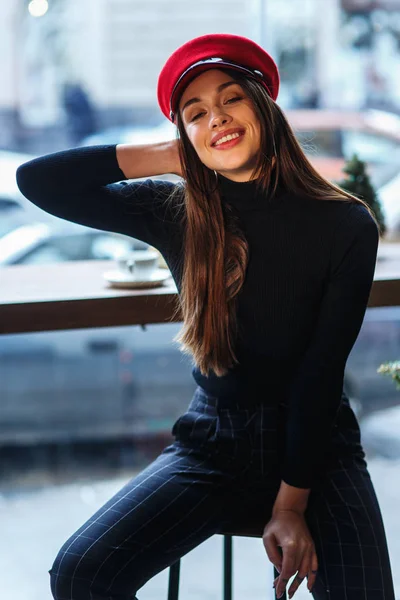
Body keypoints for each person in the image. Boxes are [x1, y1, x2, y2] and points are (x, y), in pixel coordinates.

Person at [16, 33, 395, 600]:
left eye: (231, 100)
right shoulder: (175, 209)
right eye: (196, 113)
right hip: (215, 439)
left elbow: (320, 374)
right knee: (81, 574)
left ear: (264, 107)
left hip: (318, 444)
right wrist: (171, 153)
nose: (217, 118)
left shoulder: (346, 224)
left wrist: (292, 507)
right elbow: (38, 182)